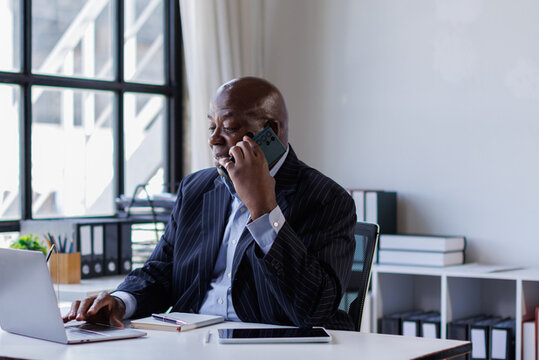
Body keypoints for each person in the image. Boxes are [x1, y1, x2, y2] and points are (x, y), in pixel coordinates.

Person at [64, 77, 357, 330]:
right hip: (191, 342)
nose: (214, 140)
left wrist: (264, 210)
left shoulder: (327, 199)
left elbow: (314, 311)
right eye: (211, 127)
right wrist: (119, 301)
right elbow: (161, 271)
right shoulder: (197, 188)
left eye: (228, 127)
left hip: (272, 348)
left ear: (270, 131)